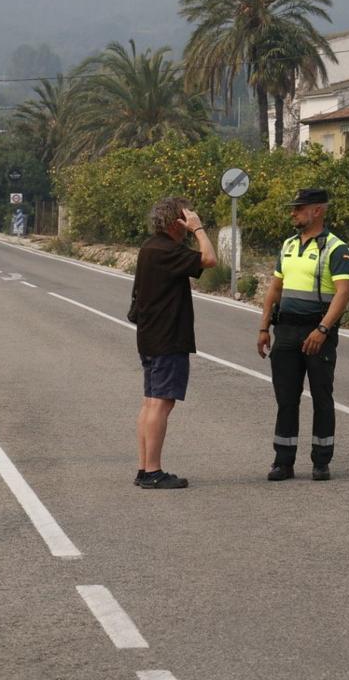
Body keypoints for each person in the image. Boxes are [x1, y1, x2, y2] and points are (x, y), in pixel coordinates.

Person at [257, 188, 349, 482]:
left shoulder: (336, 248)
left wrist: (323, 329)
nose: (293, 213)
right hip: (285, 330)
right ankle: (283, 462)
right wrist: (263, 327)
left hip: (316, 331)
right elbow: (275, 289)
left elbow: (343, 293)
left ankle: (321, 461)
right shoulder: (287, 246)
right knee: (286, 398)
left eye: (299, 208)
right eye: (294, 208)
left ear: (318, 211)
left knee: (322, 396)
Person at [133, 196, 217, 489]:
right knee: (161, 404)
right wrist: (199, 229)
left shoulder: (149, 248)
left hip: (150, 335)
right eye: (185, 218)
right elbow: (210, 259)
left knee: (150, 403)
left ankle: (144, 469)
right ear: (175, 223)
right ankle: (154, 471)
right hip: (168, 337)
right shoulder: (167, 250)